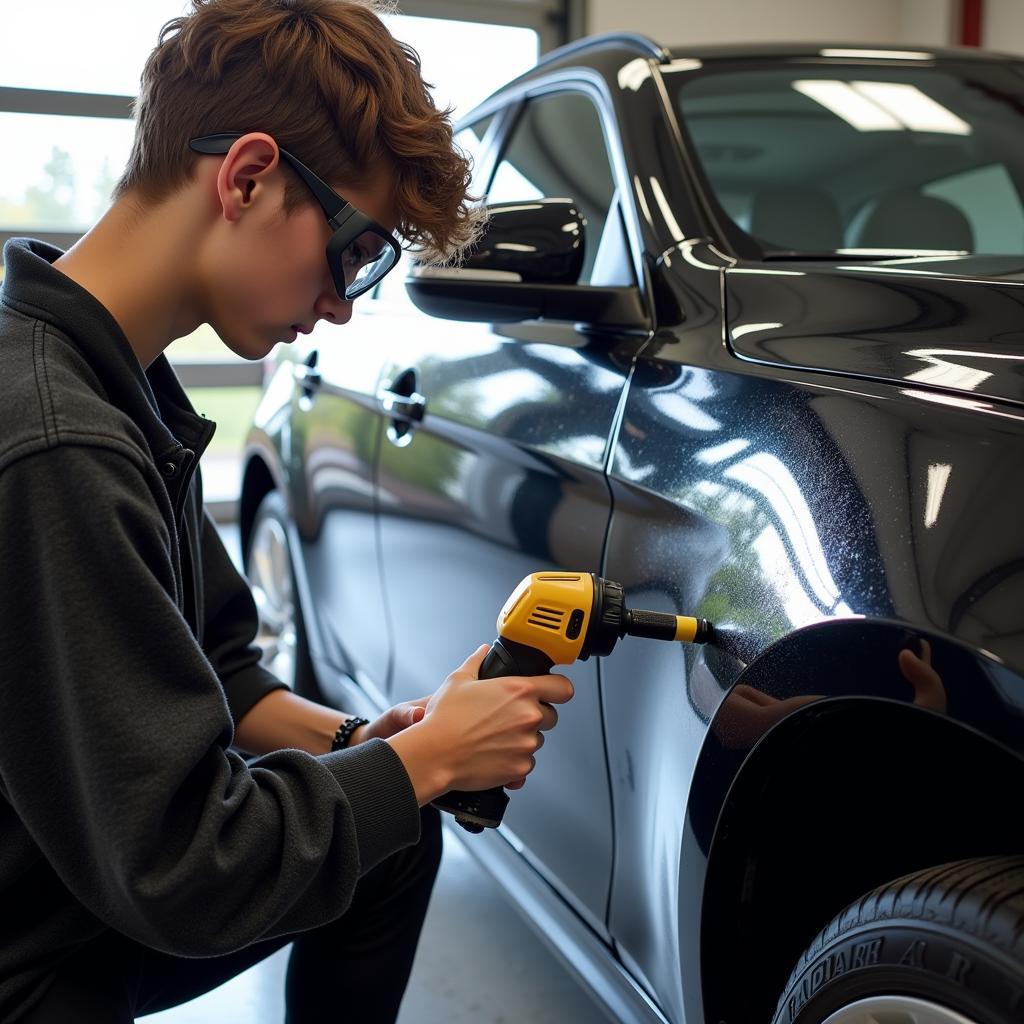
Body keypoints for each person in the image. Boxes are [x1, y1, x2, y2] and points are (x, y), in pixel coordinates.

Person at [0, 1, 574, 1021]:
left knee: (390, 835)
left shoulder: (113, 380)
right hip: (37, 953)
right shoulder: (58, 440)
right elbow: (184, 864)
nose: (347, 304)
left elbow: (217, 665)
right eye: (356, 251)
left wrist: (371, 739)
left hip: (73, 870)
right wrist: (426, 758)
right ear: (248, 176)